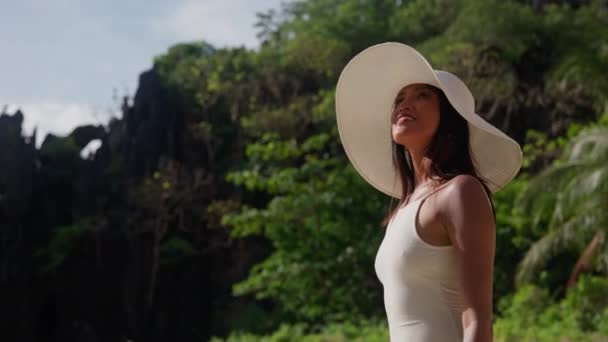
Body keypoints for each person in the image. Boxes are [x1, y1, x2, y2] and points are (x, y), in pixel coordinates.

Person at [334, 42, 523, 341]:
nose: (404, 105)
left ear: (450, 117)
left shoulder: (461, 192)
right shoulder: (403, 209)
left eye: (422, 95)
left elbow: (477, 320)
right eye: (400, 99)